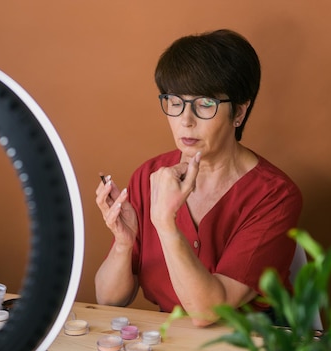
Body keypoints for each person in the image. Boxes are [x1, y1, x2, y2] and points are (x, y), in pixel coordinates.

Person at [94, 29, 302, 327]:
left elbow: (207, 314)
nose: (185, 121)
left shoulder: (275, 196)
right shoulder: (150, 176)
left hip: (250, 345)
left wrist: (165, 225)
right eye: (175, 102)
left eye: (205, 104)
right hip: (170, 340)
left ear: (240, 112)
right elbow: (109, 300)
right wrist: (124, 243)